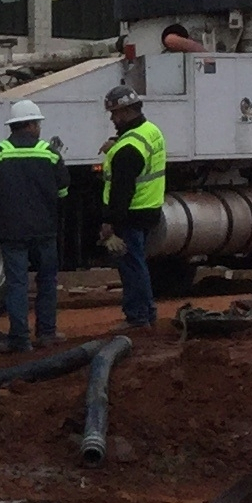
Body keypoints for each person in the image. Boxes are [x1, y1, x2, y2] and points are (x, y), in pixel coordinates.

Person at [0, 101, 66, 351]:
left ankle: (20, 339)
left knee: (17, 283)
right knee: (47, 281)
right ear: (30, 124)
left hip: (12, 231)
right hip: (44, 230)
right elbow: (63, 190)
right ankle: (47, 333)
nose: (39, 128)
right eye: (37, 123)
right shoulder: (49, 152)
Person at [96, 89, 166, 332]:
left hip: (131, 214)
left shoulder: (127, 150)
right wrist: (117, 141)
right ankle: (147, 312)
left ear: (127, 111)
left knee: (132, 266)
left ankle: (138, 317)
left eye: (115, 113)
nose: (112, 119)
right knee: (138, 263)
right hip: (148, 209)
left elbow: (120, 192)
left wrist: (109, 225)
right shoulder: (150, 131)